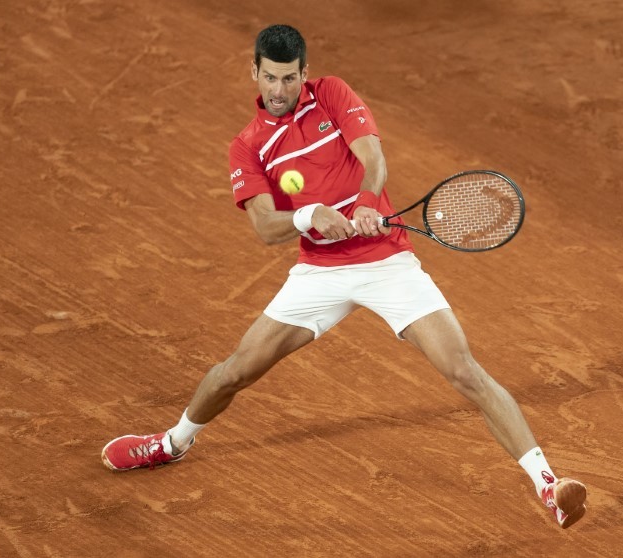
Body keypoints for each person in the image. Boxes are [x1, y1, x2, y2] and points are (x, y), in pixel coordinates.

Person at [101, 24, 587, 529]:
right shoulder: (247, 147)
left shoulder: (331, 94)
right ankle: (172, 442)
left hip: (386, 263)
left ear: (304, 74)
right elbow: (266, 229)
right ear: (255, 73)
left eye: (289, 79)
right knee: (237, 371)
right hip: (320, 274)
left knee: (464, 371)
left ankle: (549, 484)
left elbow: (373, 160)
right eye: (270, 78)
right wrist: (309, 216)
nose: (279, 90)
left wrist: (367, 204)